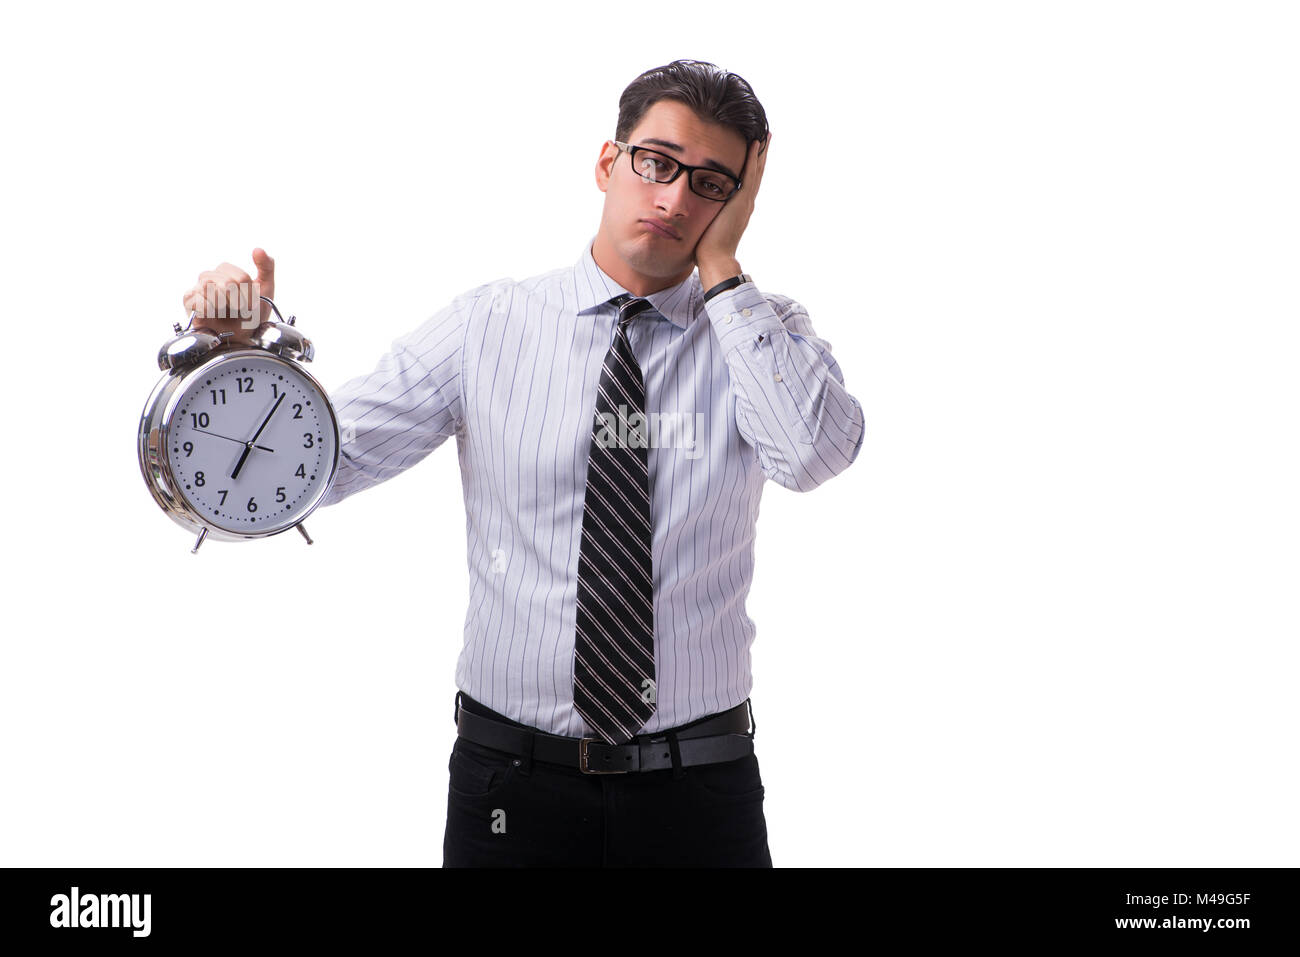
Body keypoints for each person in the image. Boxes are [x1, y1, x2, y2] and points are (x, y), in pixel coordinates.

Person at [182, 59, 865, 867]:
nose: (676, 198)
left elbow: (812, 453)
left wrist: (723, 269)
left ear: (738, 205)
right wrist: (239, 364)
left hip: (701, 788)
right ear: (609, 163)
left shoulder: (761, 334)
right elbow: (324, 465)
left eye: (713, 183)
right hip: (512, 786)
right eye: (658, 163)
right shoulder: (489, 326)